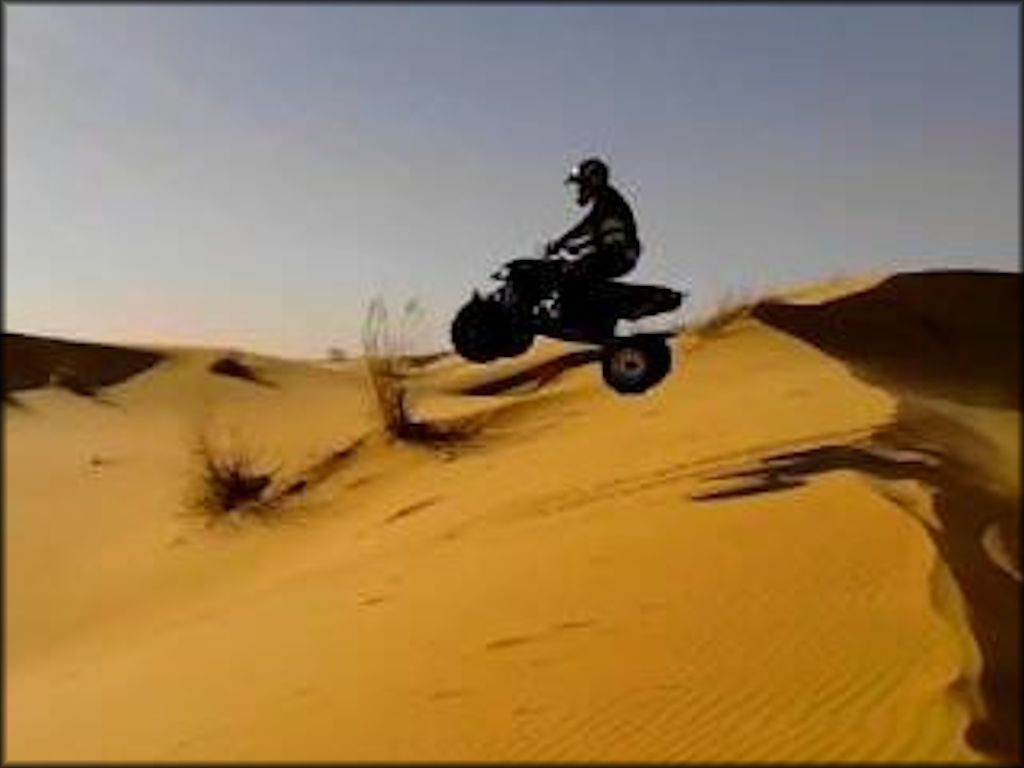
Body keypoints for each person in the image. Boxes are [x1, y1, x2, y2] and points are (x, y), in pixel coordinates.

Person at [544, 157, 642, 325]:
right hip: (617, 253)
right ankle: (586, 317)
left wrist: (562, 242)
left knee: (570, 272)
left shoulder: (607, 200)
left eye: (581, 184)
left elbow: (590, 227)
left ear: (593, 181)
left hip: (617, 255)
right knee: (577, 272)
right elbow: (595, 230)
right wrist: (574, 244)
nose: (579, 190)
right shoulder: (606, 200)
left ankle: (574, 318)